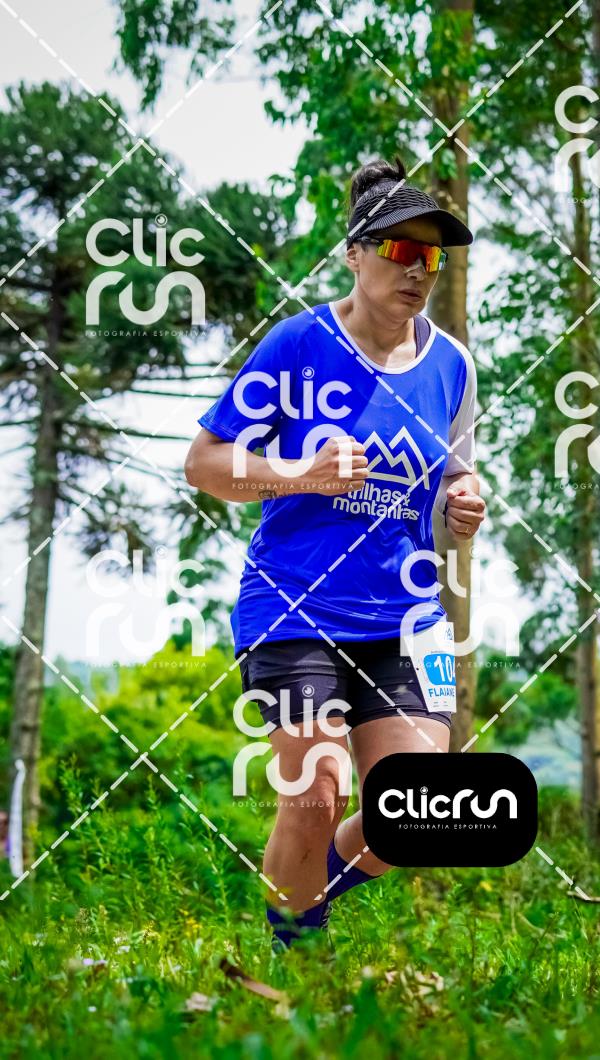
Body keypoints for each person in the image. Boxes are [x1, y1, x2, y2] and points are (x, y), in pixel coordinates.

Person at [185, 155, 486, 949]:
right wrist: (299, 473)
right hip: (294, 604)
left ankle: (297, 901)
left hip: (407, 616)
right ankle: (298, 966)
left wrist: (464, 500)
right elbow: (204, 463)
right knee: (317, 792)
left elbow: (457, 469)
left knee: (416, 813)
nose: (418, 270)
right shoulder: (298, 344)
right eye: (400, 250)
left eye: (431, 257)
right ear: (354, 253)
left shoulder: (452, 366)